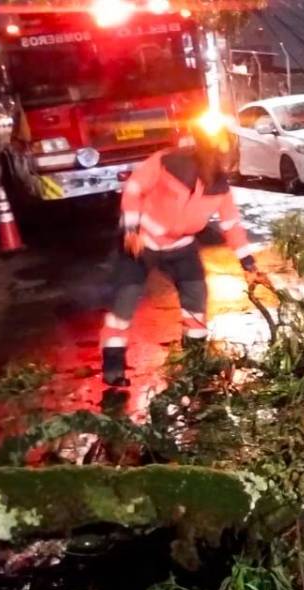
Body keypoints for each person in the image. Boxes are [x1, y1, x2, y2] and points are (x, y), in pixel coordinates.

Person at [100, 111, 257, 388]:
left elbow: (231, 225)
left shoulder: (219, 188)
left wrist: (248, 263)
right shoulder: (167, 162)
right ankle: (113, 368)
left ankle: (194, 365)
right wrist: (130, 231)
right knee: (123, 305)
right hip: (142, 245)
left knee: (196, 304)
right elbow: (134, 189)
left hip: (182, 247)